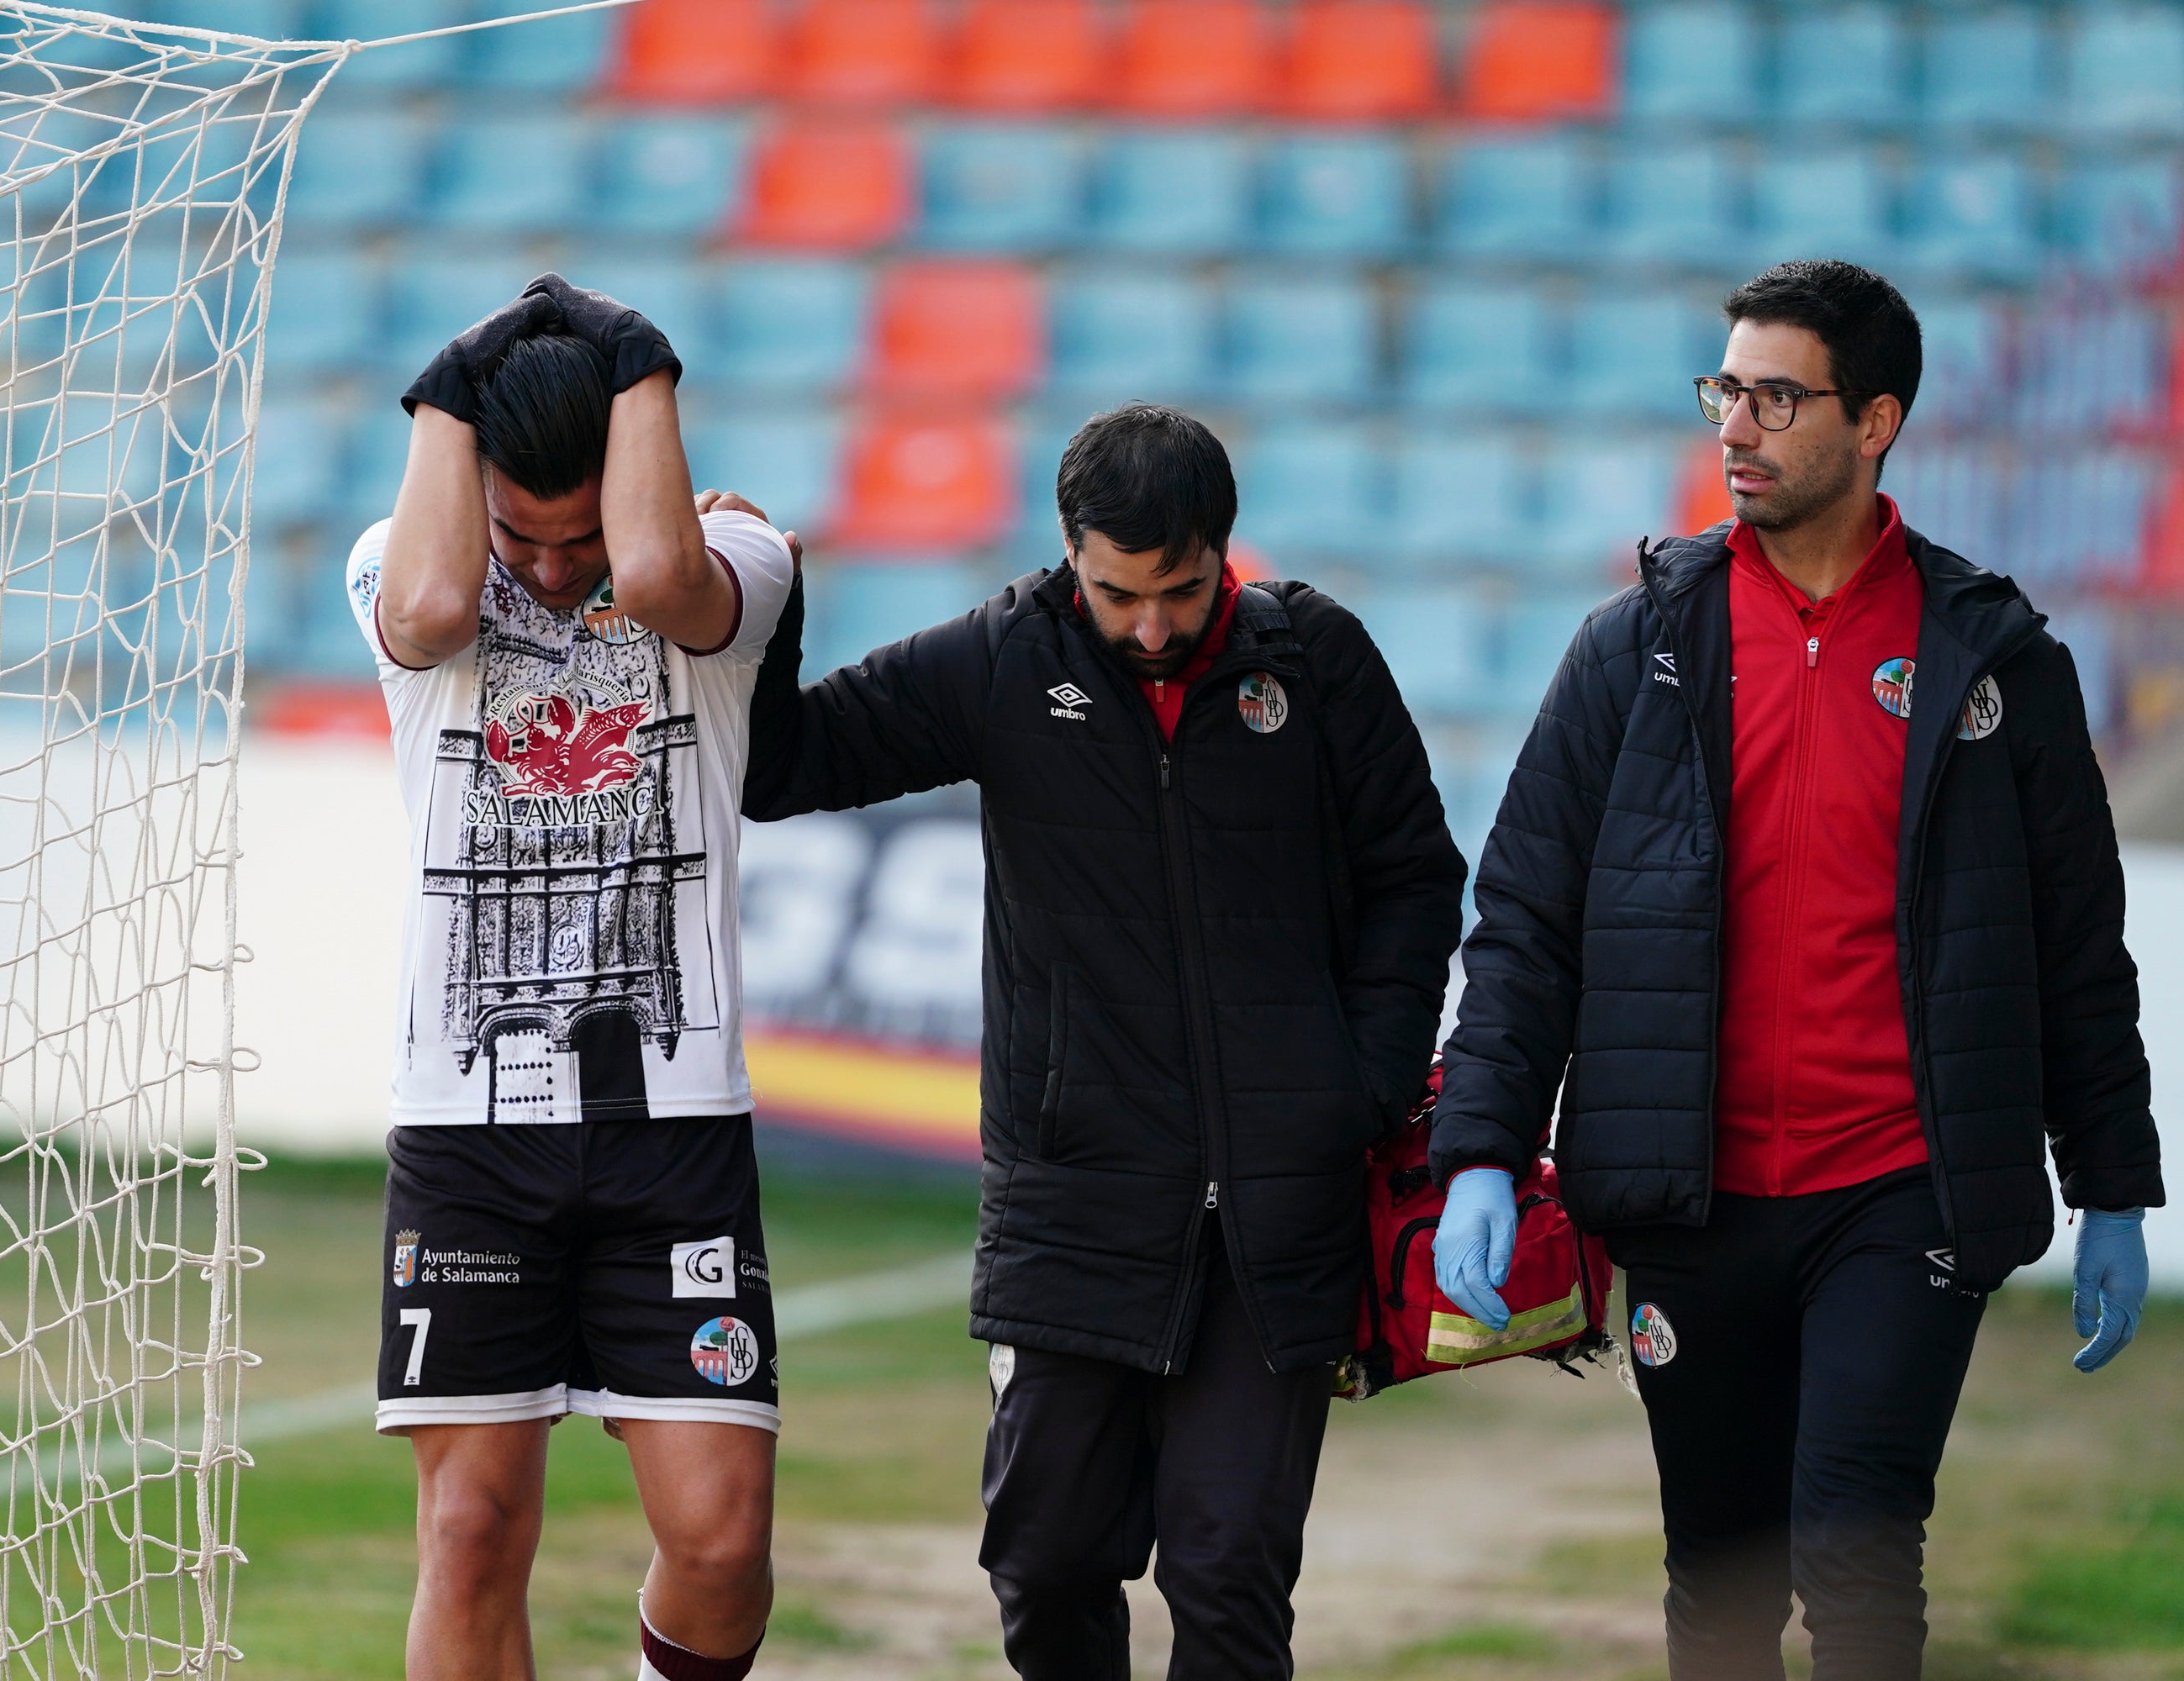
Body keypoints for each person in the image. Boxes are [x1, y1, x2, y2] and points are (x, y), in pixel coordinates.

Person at [1430, 259, 2163, 1681]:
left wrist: (2115, 1182)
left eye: (1777, 396)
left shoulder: (1991, 657)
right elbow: (1525, 917)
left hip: (1904, 1189)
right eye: (1726, 390)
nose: (1737, 427)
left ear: (1876, 420)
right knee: (1719, 1582)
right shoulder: (1633, 645)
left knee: (1858, 1551)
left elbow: (2074, 942)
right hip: (1686, 1198)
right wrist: (1480, 1145)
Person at [744, 403, 1468, 1678]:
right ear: (1069, 552)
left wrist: (1355, 1089)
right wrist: (769, 603)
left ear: (1224, 556)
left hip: (1279, 1213)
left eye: (1179, 593)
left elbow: (1416, 875)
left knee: (1227, 1571)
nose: (1148, 626)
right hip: (1071, 1202)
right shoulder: (998, 661)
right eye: (1116, 592)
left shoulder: (1317, 661)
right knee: (1047, 1564)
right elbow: (779, 765)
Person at [351, 273, 801, 1681]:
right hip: (470, 1139)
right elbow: (433, 599)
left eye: (581, 532)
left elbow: (664, 580)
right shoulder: (398, 563)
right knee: (473, 1530)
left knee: (723, 1545)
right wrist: (449, 380)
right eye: (520, 536)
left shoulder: (739, 557)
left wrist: (639, 358)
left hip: (673, 1135)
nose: (552, 571)